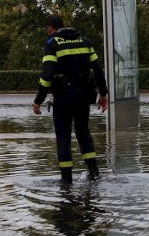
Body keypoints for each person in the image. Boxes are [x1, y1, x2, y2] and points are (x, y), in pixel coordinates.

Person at [32, 14, 109, 184]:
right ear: (64, 25)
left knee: (63, 137)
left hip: (63, 97)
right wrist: (103, 94)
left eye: (48, 30)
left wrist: (38, 100)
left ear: (50, 28)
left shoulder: (52, 44)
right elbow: (98, 70)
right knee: (83, 132)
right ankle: (94, 173)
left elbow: (47, 75)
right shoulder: (85, 42)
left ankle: (66, 180)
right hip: (83, 96)